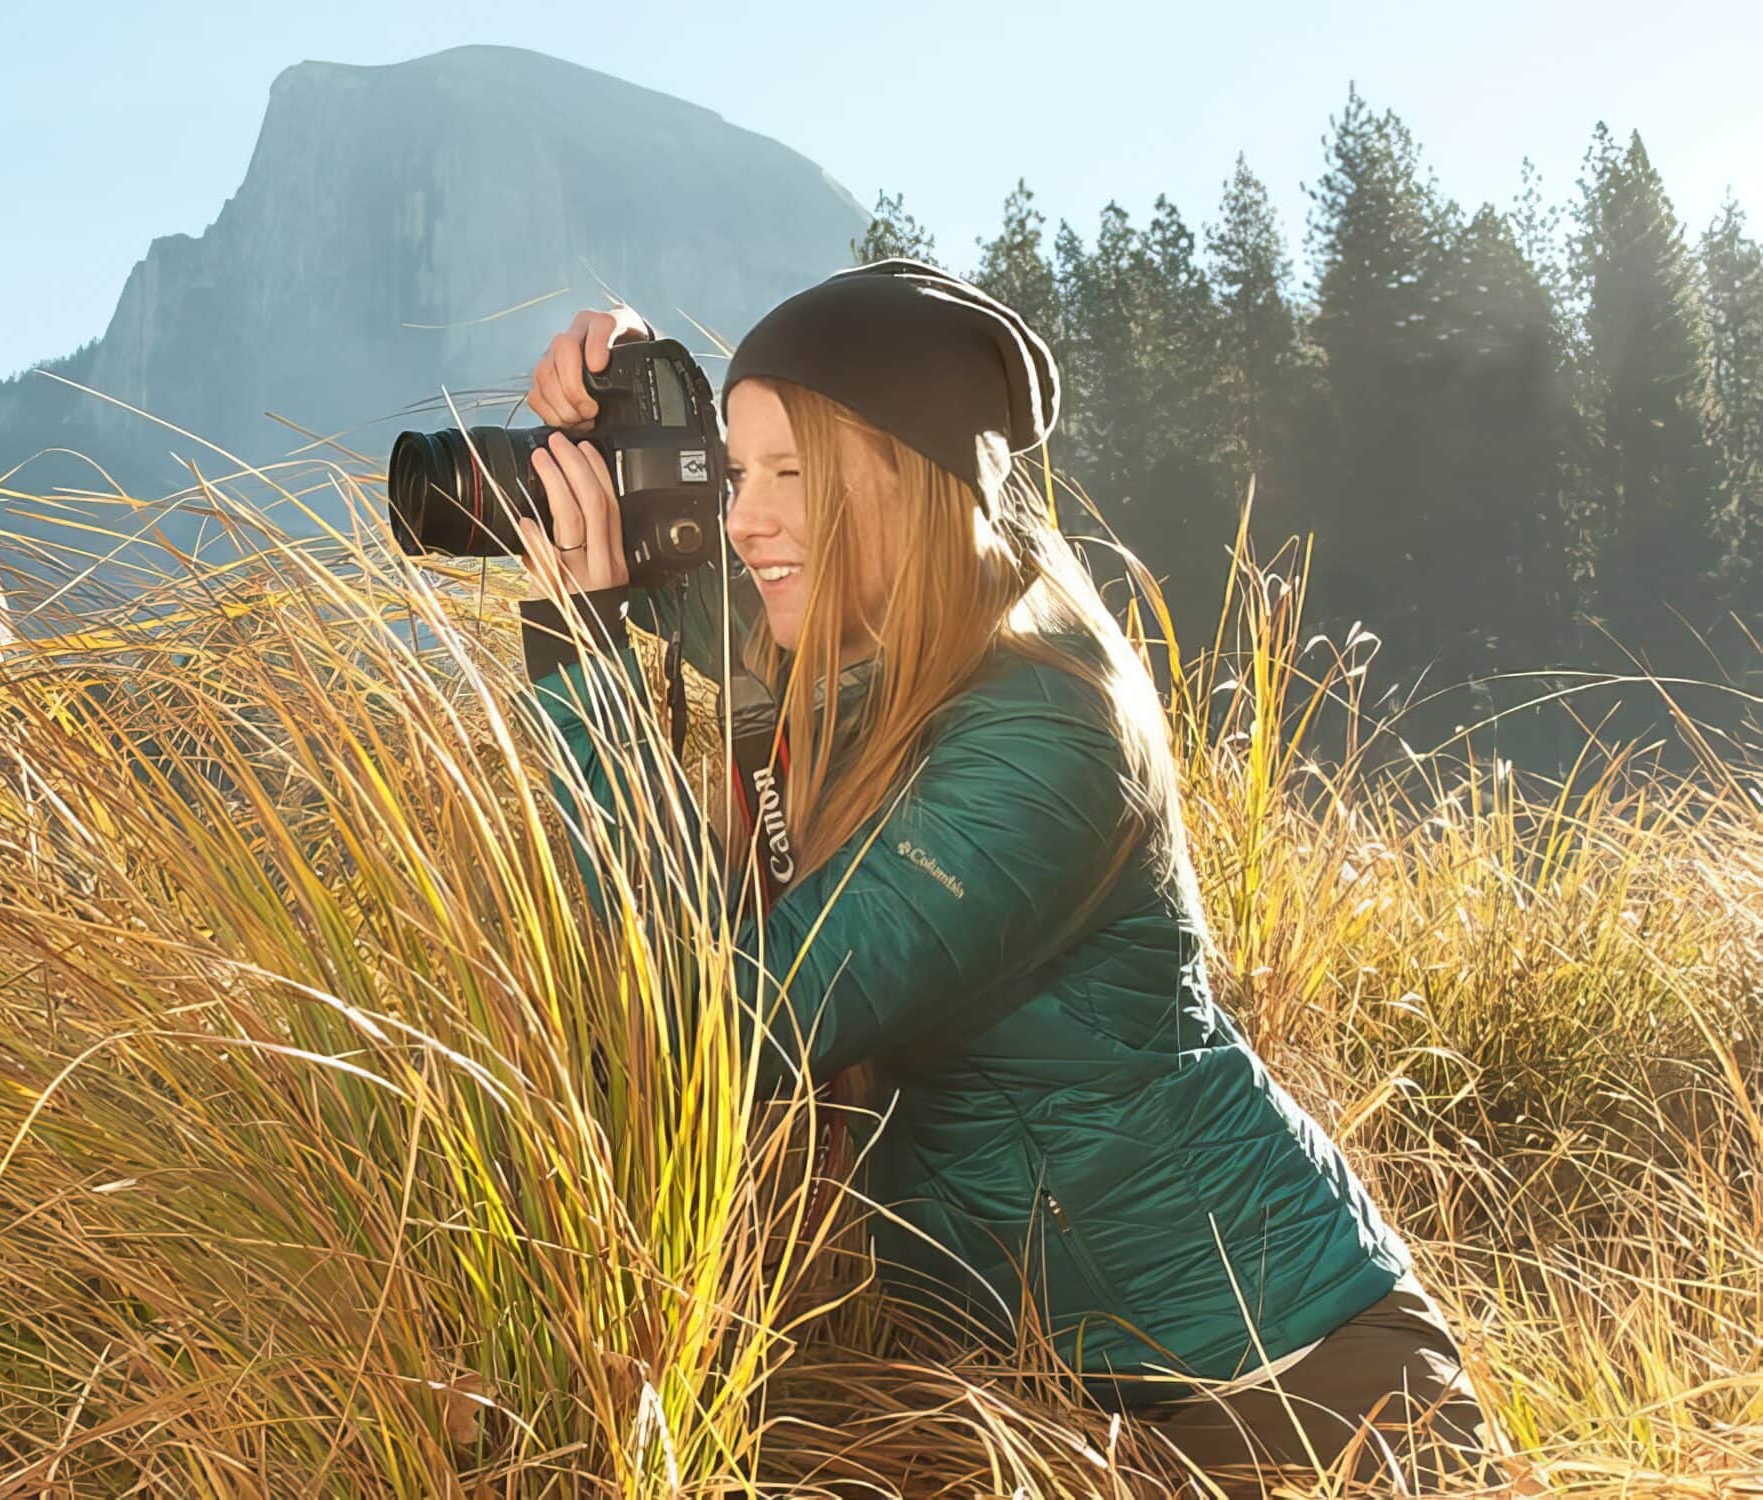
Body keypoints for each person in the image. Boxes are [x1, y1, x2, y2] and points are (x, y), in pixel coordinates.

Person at [504, 261, 1505, 1492]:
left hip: (1299, 1397)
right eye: (733, 472)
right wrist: (640, 409)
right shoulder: (877, 643)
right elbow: (715, 589)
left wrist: (578, 645)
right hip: (1066, 1406)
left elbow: (718, 1032)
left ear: (903, 487)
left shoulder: (1050, 733)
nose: (743, 520)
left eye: (789, 476)